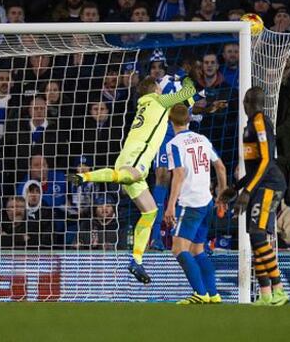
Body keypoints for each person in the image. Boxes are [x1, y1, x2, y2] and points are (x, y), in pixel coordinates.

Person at [69, 75, 199, 284]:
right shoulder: (157, 100)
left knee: (150, 212)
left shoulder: (147, 105)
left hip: (130, 154)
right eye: (158, 87)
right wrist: (187, 79)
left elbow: (185, 104)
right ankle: (84, 176)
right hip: (135, 157)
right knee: (129, 175)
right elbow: (186, 94)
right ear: (155, 89)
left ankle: (136, 261)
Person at [219, 87, 289, 306]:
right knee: (255, 237)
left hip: (270, 184)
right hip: (258, 184)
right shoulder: (250, 125)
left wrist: (247, 192)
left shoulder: (260, 123)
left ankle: (279, 290)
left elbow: (267, 161)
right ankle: (266, 294)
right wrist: (237, 187)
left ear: (247, 102)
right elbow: (255, 167)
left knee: (258, 235)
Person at [163, 104, 226, 304]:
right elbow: (221, 167)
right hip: (206, 202)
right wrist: (222, 194)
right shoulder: (203, 139)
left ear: (170, 121)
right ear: (189, 119)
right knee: (197, 250)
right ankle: (213, 294)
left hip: (189, 204)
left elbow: (179, 174)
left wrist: (171, 204)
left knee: (178, 249)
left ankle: (200, 293)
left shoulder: (173, 144)